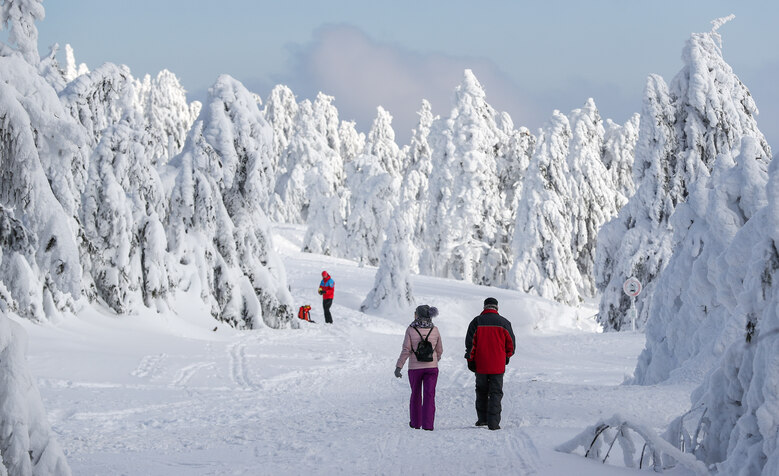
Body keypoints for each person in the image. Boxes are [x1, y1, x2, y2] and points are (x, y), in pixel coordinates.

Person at [464, 297, 515, 430]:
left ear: (485, 307)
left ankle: (482, 420)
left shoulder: (477, 322)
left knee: (481, 391)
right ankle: (494, 423)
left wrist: (470, 360)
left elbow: (470, 345)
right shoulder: (504, 323)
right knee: (496, 393)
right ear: (496, 308)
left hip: (480, 365)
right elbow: (511, 345)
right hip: (498, 366)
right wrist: (506, 357)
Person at [394, 305, 443, 431]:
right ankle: (428, 425)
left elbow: (406, 350)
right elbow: (439, 350)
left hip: (415, 369)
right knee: (429, 395)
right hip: (432, 368)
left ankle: (416, 423)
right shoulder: (435, 329)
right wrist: (434, 361)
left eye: (415, 312)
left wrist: (399, 366)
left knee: (415, 394)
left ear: (418, 314)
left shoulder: (411, 329)